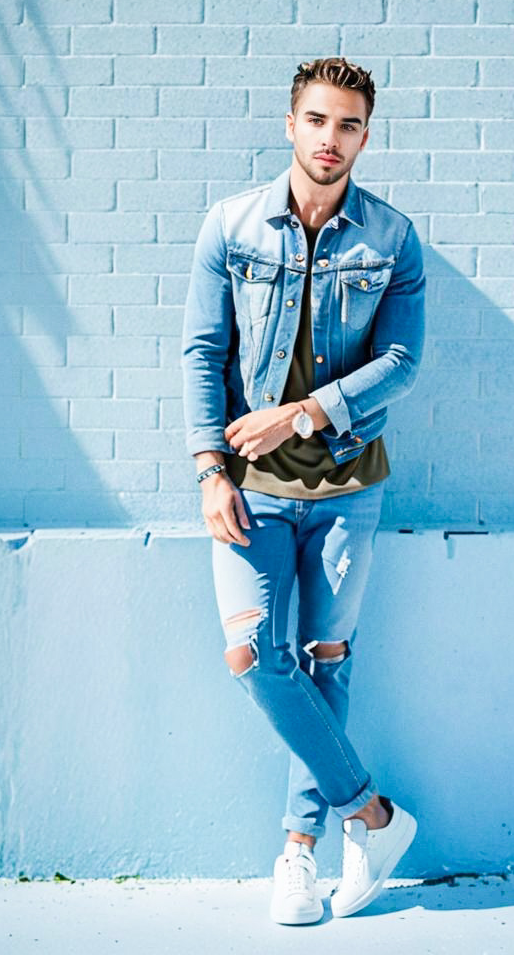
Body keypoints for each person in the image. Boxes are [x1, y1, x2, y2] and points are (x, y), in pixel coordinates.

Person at [181, 57, 426, 924]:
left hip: (347, 486)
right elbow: (203, 355)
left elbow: (401, 362)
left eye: (350, 125)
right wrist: (211, 469)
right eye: (318, 121)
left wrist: (304, 415)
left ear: (366, 135)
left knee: (326, 661)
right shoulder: (231, 226)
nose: (332, 139)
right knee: (253, 654)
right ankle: (374, 816)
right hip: (248, 492)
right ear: (291, 125)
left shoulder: (392, 240)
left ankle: (299, 852)